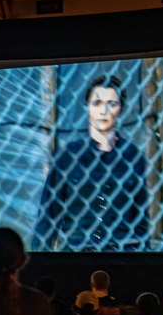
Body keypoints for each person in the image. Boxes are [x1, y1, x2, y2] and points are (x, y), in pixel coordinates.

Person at [33, 74, 150, 252]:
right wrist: (40, 260)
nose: (104, 111)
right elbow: (48, 215)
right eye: (97, 103)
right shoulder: (68, 156)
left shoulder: (133, 156)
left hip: (122, 251)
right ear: (87, 107)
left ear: (121, 109)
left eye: (112, 104)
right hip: (77, 251)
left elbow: (141, 218)